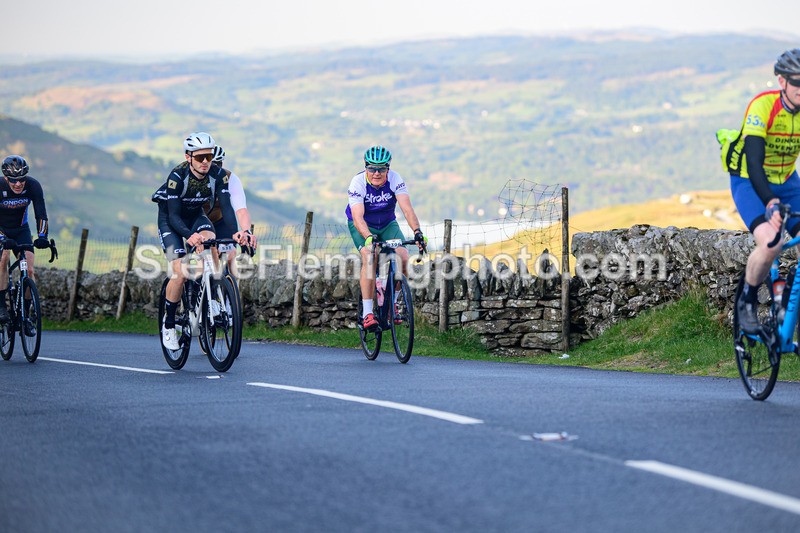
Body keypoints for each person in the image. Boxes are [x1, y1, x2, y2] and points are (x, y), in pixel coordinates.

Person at [723, 49, 800, 332]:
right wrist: (770, 203)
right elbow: (754, 163)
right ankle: (747, 303)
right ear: (782, 82)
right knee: (771, 241)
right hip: (750, 181)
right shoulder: (762, 107)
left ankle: (789, 311)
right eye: (797, 83)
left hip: (788, 180)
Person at [153, 132, 248, 350]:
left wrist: (236, 233)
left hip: (196, 216)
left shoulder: (217, 174)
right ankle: (168, 325)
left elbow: (226, 207)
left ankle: (212, 295)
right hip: (171, 220)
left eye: (209, 156)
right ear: (188, 157)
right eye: (199, 157)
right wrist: (189, 235)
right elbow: (175, 216)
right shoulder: (177, 177)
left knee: (211, 240)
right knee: (181, 272)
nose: (206, 161)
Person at [345, 145, 426, 331]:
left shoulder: (395, 179)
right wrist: (368, 238)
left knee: (404, 257)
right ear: (366, 167)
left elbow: (407, 208)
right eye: (372, 168)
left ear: (387, 169)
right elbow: (357, 217)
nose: (376, 173)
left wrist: (417, 232)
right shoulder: (357, 183)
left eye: (381, 168)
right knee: (369, 257)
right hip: (363, 225)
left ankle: (392, 306)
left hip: (388, 223)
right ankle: (367, 314)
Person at [0, 155, 51, 332]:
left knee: (29, 270)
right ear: (6, 178)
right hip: (1, 231)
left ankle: (26, 317)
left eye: (21, 179)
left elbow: (41, 214)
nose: (18, 184)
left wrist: (42, 237)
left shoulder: (33, 186)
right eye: (13, 180)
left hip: (21, 230)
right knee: (3, 258)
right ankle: (1, 307)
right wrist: (2, 238)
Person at [206, 145, 256, 274]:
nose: (215, 168)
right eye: (213, 164)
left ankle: (232, 290)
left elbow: (241, 210)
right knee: (210, 256)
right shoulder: (196, 178)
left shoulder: (230, 179)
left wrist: (246, 231)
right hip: (198, 222)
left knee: (231, 254)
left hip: (220, 221)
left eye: (218, 164)